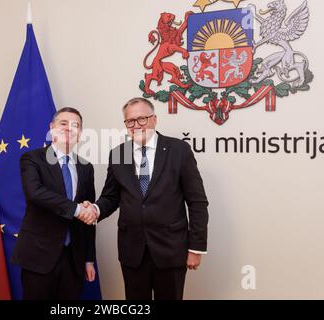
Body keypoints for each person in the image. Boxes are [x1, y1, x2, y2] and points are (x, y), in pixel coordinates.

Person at [84, 97, 209, 300]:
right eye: (130, 121)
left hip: (171, 250)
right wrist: (95, 210)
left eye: (142, 119)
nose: (136, 125)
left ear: (154, 120)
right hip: (132, 252)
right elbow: (110, 197)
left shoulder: (179, 150)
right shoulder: (118, 154)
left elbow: (197, 202)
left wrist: (196, 248)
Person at [11, 107, 97, 300]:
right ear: (52, 128)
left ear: (80, 133)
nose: (69, 129)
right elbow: (35, 193)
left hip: (74, 258)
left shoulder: (86, 168)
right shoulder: (32, 159)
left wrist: (89, 259)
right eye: (63, 123)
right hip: (38, 255)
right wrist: (76, 209)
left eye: (75, 125)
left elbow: (88, 217)